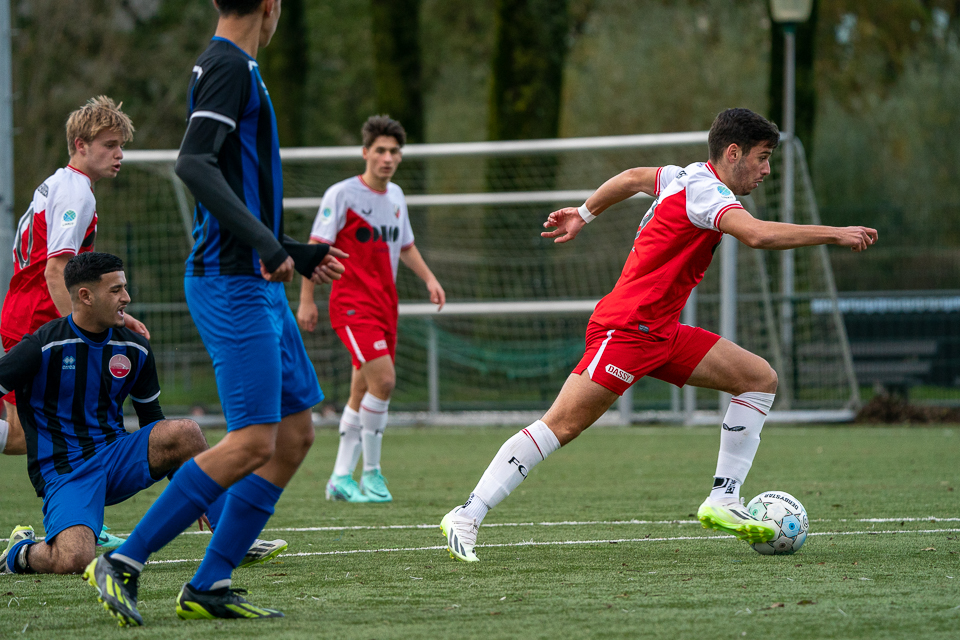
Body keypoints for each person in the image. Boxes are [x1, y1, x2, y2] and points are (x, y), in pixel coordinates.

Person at [440, 108, 878, 562]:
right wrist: (835, 234)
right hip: (626, 329)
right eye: (763, 157)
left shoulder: (682, 176)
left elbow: (632, 177)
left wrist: (584, 214)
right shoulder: (706, 192)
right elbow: (757, 236)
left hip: (661, 332)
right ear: (733, 153)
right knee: (561, 425)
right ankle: (467, 514)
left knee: (758, 379)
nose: (766, 170)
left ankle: (724, 498)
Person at [83, 0, 346, 626]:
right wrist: (267, 247)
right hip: (232, 284)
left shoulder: (235, 67)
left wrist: (289, 249)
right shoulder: (227, 65)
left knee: (295, 434)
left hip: (256, 280)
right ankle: (123, 560)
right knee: (254, 440)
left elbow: (228, 184)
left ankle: (210, 583)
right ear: (269, 4)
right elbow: (193, 163)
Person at [0, 253, 207, 576]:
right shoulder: (41, 346)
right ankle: (19, 553)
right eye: (115, 290)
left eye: (124, 287)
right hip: (66, 471)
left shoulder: (135, 347)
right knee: (75, 559)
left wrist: (194, 486)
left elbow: (153, 421)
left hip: (116, 457)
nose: (126, 297)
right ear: (86, 296)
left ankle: (232, 534)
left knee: (186, 431)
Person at [0, 96, 142, 549]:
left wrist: (113, 314)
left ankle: (81, 518)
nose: (119, 154)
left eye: (121, 146)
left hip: (26, 312)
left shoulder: (59, 183)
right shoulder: (77, 192)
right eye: (109, 145)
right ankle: (77, 518)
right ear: (80, 145)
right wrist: (77, 331)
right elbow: (56, 269)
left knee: (60, 427)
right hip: (39, 318)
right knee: (32, 433)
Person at [298, 115, 445, 503]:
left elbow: (406, 246)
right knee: (384, 382)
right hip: (352, 305)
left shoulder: (396, 196)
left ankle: (339, 478)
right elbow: (315, 248)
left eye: (394, 151)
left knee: (361, 389)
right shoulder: (342, 195)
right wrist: (307, 300)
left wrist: (430, 279)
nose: (387, 158)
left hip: (385, 305)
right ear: (365, 153)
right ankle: (372, 472)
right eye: (380, 150)